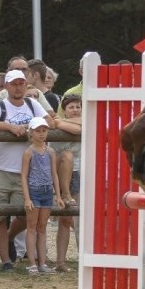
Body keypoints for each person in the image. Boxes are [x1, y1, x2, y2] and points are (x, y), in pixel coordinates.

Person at [0, 69, 53, 271]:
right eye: (14, 84)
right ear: (7, 86)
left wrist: (31, 127)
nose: (18, 87)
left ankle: (8, 238)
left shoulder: (32, 104)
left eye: (21, 83)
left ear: (26, 85)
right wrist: (8, 127)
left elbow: (50, 121)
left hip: (26, 170)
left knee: (25, 213)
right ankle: (6, 261)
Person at [21, 117, 63, 275]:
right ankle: (32, 263)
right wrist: (27, 197)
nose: (41, 134)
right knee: (31, 227)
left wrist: (57, 195)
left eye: (44, 131)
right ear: (31, 133)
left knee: (42, 227)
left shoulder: (50, 151)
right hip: (34, 190)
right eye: (38, 131)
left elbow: (54, 174)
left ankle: (42, 263)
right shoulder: (28, 152)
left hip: (46, 191)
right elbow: (24, 175)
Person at [53, 94, 82, 271]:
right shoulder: (59, 123)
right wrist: (60, 123)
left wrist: (60, 123)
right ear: (64, 110)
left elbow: (79, 129)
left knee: (80, 218)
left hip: (80, 171)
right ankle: (60, 261)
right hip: (63, 171)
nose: (75, 110)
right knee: (65, 219)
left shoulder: (61, 122)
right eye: (71, 107)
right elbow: (58, 124)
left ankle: (83, 257)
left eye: (78, 106)